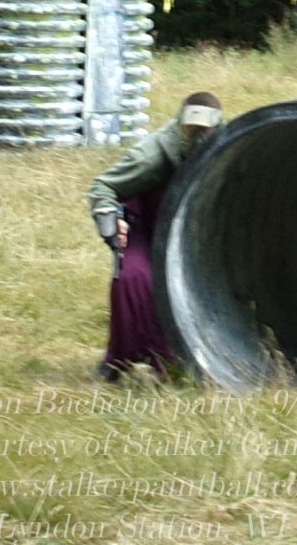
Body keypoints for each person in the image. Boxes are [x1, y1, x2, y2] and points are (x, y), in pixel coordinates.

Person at [87, 91, 224, 381]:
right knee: (133, 279)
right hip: (147, 230)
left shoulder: (230, 150)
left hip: (198, 236)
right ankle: (121, 359)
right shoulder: (151, 155)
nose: (198, 137)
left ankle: (189, 359)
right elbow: (104, 187)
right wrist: (111, 223)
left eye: (205, 131)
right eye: (191, 130)